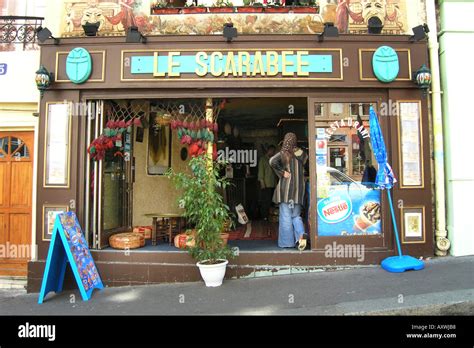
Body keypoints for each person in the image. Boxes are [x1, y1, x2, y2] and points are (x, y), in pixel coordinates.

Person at [269, 133, 308, 251]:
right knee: (296, 216)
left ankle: (287, 243)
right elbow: (307, 161)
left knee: (286, 217)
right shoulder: (301, 153)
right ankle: (301, 235)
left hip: (285, 192)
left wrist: (282, 173)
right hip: (297, 192)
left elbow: (271, 161)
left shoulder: (283, 153)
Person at [258, 145, 277, 220]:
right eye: (272, 151)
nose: (273, 153)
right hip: (266, 184)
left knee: (271, 201)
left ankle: (270, 216)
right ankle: (264, 216)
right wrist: (262, 182)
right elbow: (261, 172)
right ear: (269, 150)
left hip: (272, 183)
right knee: (265, 201)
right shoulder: (263, 159)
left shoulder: (273, 160)